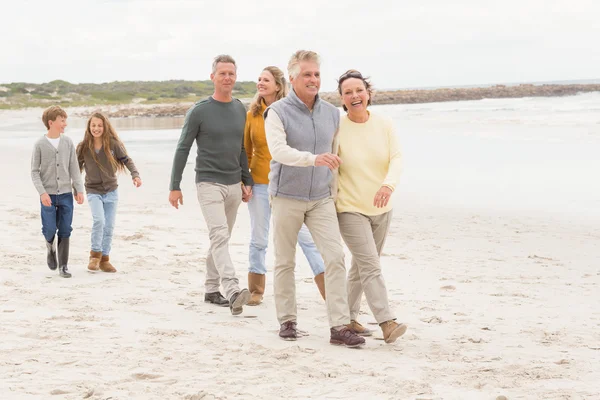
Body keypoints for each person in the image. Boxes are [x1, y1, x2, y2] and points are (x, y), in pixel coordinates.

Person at [265, 50, 365, 347]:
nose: (313, 79)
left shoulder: (332, 113)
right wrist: (313, 160)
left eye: (317, 74)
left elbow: (340, 152)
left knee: (335, 258)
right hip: (286, 196)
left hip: (321, 198)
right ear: (293, 77)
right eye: (307, 74)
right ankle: (287, 320)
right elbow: (278, 151)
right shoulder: (278, 111)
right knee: (285, 260)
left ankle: (339, 327)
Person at [169, 54, 254, 316]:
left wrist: (246, 179)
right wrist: (175, 185)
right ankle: (232, 290)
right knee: (219, 236)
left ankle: (210, 289)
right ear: (213, 77)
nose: (227, 77)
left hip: (232, 184)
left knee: (221, 239)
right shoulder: (200, 111)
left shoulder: (241, 108)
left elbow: (240, 147)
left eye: (231, 73)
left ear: (235, 77)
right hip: (208, 183)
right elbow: (183, 147)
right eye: (222, 73)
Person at [334, 69, 407, 343]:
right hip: (350, 207)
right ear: (342, 99)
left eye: (358, 91)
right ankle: (387, 321)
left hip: (382, 208)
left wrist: (388, 185)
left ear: (368, 93)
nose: (354, 96)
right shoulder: (337, 127)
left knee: (361, 267)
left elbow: (397, 158)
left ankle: (348, 318)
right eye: (348, 92)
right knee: (371, 266)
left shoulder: (384, 124)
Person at [244, 66, 326, 306]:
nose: (260, 83)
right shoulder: (252, 114)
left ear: (278, 85)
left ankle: (328, 289)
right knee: (259, 237)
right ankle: (256, 290)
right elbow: (246, 150)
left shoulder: (290, 112)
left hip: (289, 187)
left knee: (306, 239)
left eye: (266, 80)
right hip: (259, 184)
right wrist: (245, 180)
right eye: (258, 79)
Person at [76, 112, 142, 273]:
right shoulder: (83, 146)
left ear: (105, 127)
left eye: (99, 125)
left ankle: (104, 259)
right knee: (99, 220)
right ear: (89, 127)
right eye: (93, 125)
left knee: (109, 225)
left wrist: (135, 175)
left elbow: (127, 160)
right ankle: (94, 255)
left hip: (111, 191)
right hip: (93, 190)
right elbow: (76, 169)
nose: (96, 128)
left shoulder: (113, 144)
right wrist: (75, 189)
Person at [31, 106, 84, 278]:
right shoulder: (39, 144)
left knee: (65, 228)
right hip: (48, 195)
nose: (65, 124)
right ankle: (49, 246)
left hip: (66, 194)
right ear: (51, 122)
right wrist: (42, 192)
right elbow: (34, 172)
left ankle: (64, 266)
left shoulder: (68, 142)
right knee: (49, 228)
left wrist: (78, 189)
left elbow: (74, 168)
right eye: (62, 121)